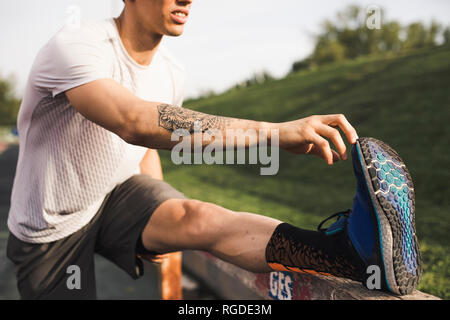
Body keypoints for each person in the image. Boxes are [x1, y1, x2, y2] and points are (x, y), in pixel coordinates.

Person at [6, 0, 422, 299]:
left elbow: (146, 147)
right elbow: (134, 122)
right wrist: (274, 133)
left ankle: (350, 254)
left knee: (196, 215)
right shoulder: (77, 46)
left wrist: (161, 221)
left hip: (116, 195)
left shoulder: (171, 72)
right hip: (50, 228)